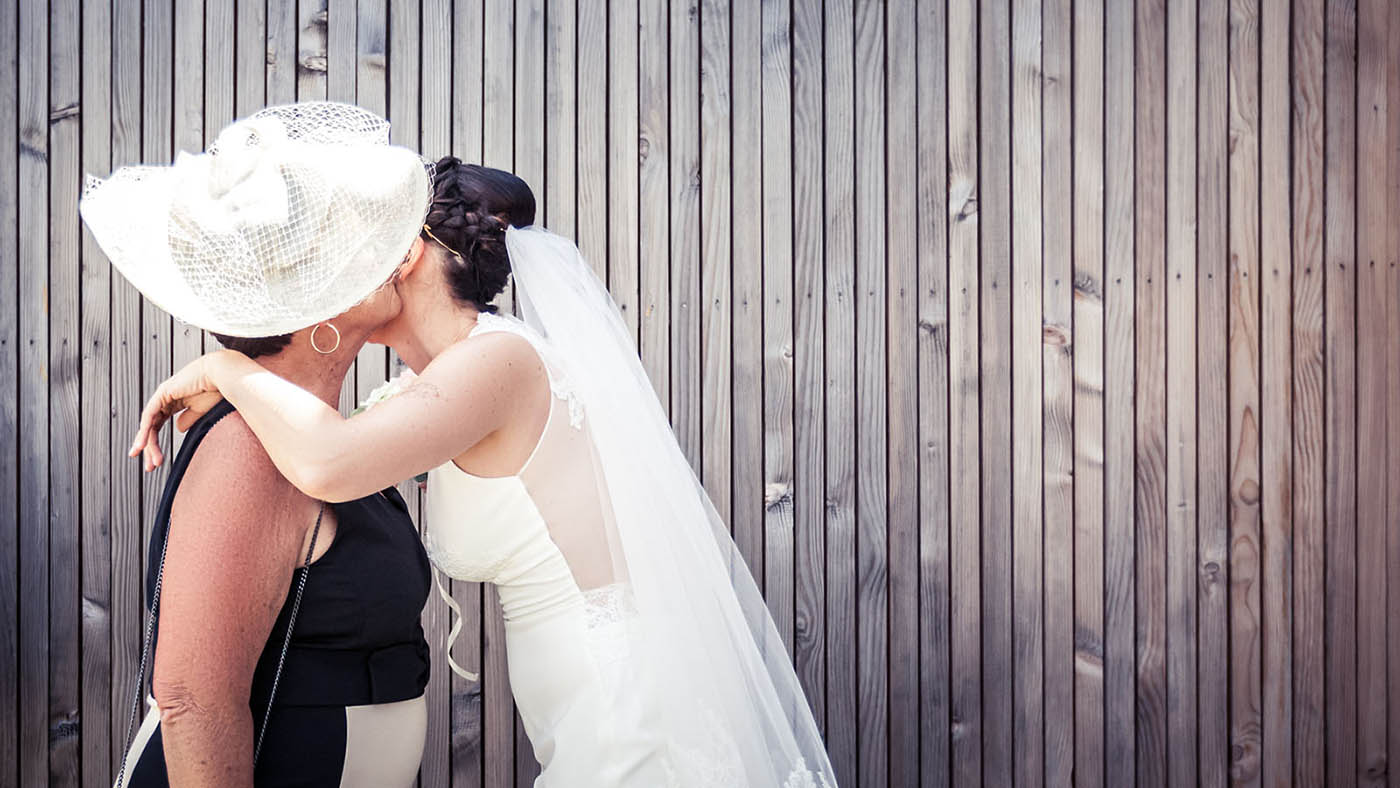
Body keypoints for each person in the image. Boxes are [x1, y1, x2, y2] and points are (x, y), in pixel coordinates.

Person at [132, 121, 838, 786]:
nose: (338, 269)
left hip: (624, 697)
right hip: (577, 695)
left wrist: (225, 371)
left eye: (357, 247)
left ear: (403, 256)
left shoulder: (496, 364)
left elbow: (329, 461)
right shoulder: (439, 385)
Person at [81, 102, 434, 787]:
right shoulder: (248, 448)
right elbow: (193, 701)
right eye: (356, 242)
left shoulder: (319, 434)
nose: (389, 254)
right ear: (317, 315)